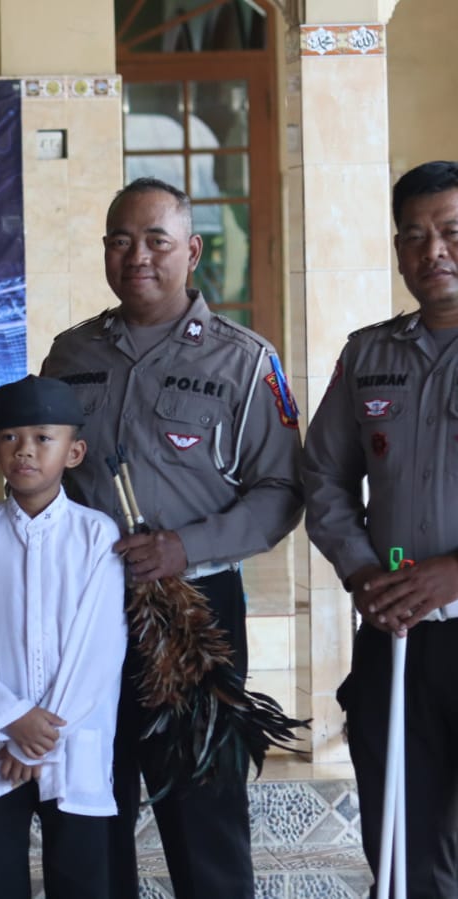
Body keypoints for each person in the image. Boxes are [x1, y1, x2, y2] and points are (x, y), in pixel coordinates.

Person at [40, 176, 303, 899]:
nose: (138, 256)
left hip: (193, 612)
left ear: (191, 251)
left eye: (157, 240)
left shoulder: (245, 360)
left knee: (202, 810)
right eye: (121, 241)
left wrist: (185, 546)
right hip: (86, 611)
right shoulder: (69, 354)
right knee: (89, 802)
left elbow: (282, 491)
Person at [303, 160, 458, 898]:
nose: (434, 251)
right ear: (397, 249)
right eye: (414, 236)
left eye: (451, 231)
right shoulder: (368, 353)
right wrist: (362, 571)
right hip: (395, 639)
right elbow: (322, 477)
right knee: (402, 852)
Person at [0, 375, 127, 898]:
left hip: (74, 744)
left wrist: (39, 737)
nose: (25, 450)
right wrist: (11, 719)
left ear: (74, 452)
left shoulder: (97, 535)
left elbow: (99, 648)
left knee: (82, 882)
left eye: (43, 438)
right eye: (10, 437)